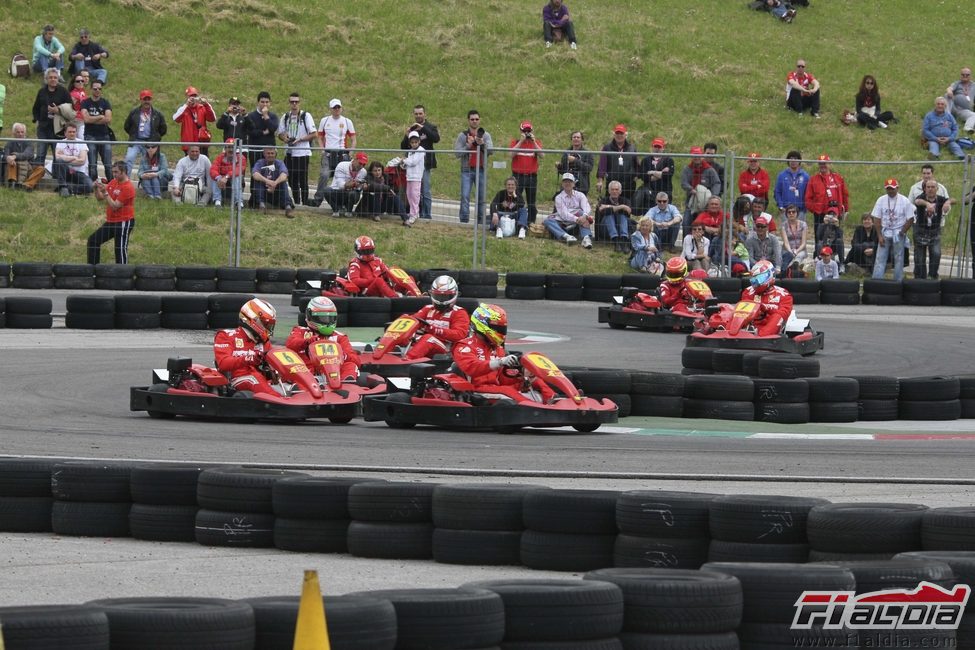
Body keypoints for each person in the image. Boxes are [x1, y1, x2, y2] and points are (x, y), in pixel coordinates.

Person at [452, 303, 554, 404]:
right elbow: (472, 367)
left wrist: (521, 374)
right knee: (508, 391)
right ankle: (533, 410)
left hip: (496, 387)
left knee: (535, 379)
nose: (500, 332)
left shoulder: (497, 348)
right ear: (482, 325)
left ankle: (555, 401)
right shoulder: (464, 346)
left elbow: (503, 379)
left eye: (502, 329)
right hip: (477, 389)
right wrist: (499, 362)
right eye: (497, 329)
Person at [213, 298, 278, 396]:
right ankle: (280, 401)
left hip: (261, 380)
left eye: (270, 325)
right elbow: (223, 363)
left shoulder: (264, 342)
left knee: (289, 380)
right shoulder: (226, 336)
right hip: (236, 379)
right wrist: (250, 358)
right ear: (253, 319)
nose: (268, 328)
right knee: (255, 378)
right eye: (266, 324)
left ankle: (302, 398)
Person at [286, 297, 360, 381]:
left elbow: (356, 359)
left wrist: (343, 356)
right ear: (311, 316)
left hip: (333, 374)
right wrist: (307, 342)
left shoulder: (340, 337)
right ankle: (307, 383)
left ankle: (346, 384)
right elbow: (290, 344)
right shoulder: (300, 331)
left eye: (330, 318)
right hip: (306, 373)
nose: (327, 322)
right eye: (323, 318)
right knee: (292, 367)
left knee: (351, 365)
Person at [402, 276, 471, 360]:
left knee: (428, 338)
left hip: (447, 349)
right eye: (438, 296)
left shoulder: (459, 313)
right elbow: (413, 320)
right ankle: (388, 355)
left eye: (445, 297)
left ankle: (408, 359)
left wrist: (435, 330)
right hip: (424, 342)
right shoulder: (428, 309)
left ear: (454, 295)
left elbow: (459, 335)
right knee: (404, 336)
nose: (441, 300)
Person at [310, 98, 356, 207]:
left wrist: (351, 152)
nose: (336, 109)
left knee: (344, 177)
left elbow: (353, 138)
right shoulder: (324, 121)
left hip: (342, 154)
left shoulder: (347, 121)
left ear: (341, 108)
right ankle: (318, 200)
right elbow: (320, 137)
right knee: (324, 175)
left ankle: (344, 201)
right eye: (334, 107)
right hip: (328, 154)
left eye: (338, 107)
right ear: (330, 109)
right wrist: (322, 150)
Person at [88, 161, 135, 265]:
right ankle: (93, 271)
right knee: (93, 240)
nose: (114, 174)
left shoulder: (128, 187)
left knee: (120, 250)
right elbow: (100, 198)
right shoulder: (114, 182)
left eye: (116, 172)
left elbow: (114, 206)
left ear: (123, 172)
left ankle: (123, 275)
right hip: (111, 221)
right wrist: (96, 189)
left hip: (123, 222)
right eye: (113, 172)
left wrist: (105, 192)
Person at [400, 105, 440, 219]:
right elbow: (403, 147)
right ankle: (415, 213)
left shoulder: (430, 127)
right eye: (416, 114)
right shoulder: (412, 129)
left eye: (420, 113)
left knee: (425, 190)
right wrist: (406, 136)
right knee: (413, 192)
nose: (418, 116)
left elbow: (436, 138)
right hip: (413, 166)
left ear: (424, 114)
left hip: (425, 164)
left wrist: (422, 128)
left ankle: (427, 215)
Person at [871, 178, 914, 282]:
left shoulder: (905, 201)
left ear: (897, 188)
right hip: (885, 231)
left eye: (892, 189)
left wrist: (902, 232)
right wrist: (880, 236)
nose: (890, 191)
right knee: (880, 258)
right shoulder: (881, 200)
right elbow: (876, 218)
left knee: (899, 258)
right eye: (888, 189)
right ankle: (877, 281)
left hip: (898, 232)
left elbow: (911, 218)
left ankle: (898, 281)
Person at [277, 92, 317, 206]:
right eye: (292, 102)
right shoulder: (286, 116)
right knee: (291, 179)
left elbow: (314, 134)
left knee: (302, 179)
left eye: (296, 102)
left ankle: (304, 202)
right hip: (289, 152)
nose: (294, 104)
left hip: (302, 152)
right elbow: (280, 133)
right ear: (289, 103)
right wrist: (285, 138)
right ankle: (297, 201)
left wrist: (300, 139)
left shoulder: (306, 116)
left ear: (299, 102)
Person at [454, 109, 493, 224]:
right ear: (468, 121)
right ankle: (464, 220)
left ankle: (480, 222)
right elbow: (457, 153)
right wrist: (468, 145)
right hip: (466, 170)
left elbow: (491, 151)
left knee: (481, 198)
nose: (474, 121)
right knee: (465, 196)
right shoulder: (462, 136)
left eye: (476, 119)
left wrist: (482, 144)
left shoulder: (485, 135)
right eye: (472, 119)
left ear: (479, 120)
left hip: (481, 169)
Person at [740, 260, 794, 336]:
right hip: (751, 326)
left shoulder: (783, 294)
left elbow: (783, 313)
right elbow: (743, 311)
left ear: (770, 275)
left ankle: (761, 336)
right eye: (754, 279)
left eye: (760, 278)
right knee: (730, 309)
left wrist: (765, 307)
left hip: (772, 328)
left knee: (778, 316)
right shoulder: (748, 292)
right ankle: (728, 331)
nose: (757, 282)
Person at [913, 179, 954, 280]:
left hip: (935, 232)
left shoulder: (941, 199)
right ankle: (920, 279)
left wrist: (948, 202)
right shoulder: (921, 197)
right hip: (921, 231)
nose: (930, 189)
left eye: (933, 187)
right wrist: (927, 204)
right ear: (925, 189)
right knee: (919, 257)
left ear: (937, 189)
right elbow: (917, 201)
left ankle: (932, 276)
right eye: (928, 187)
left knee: (936, 253)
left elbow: (954, 200)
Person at [31, 68, 71, 166]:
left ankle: (57, 178)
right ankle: (37, 178)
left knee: (57, 155)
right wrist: (37, 119)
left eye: (55, 77)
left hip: (58, 129)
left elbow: (71, 107)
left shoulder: (63, 91)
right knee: (40, 154)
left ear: (58, 79)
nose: (53, 79)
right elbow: (36, 107)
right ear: (46, 79)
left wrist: (58, 110)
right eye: (50, 77)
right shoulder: (41, 91)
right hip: (43, 128)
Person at [680, 146, 722, 237]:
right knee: (686, 223)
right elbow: (684, 183)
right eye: (694, 156)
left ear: (702, 155)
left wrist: (713, 196)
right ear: (691, 156)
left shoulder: (709, 169)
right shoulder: (687, 169)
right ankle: (686, 245)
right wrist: (691, 189)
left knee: (705, 224)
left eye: (698, 155)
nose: (696, 158)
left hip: (706, 203)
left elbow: (717, 183)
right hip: (691, 202)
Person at [123, 89, 167, 173]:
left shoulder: (157, 114)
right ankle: (126, 181)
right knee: (129, 158)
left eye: (148, 99)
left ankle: (145, 183)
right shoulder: (134, 112)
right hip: (136, 141)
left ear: (151, 100)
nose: (147, 101)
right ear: (140, 100)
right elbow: (127, 126)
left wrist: (155, 136)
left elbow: (163, 129)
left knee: (148, 164)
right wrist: (133, 134)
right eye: (144, 99)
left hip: (150, 143)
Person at [545, 172, 593, 248]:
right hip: (563, 222)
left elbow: (587, 207)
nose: (567, 184)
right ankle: (566, 236)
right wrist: (578, 219)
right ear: (562, 184)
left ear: (574, 184)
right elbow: (564, 214)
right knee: (547, 220)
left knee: (583, 213)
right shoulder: (559, 197)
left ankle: (586, 238)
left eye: (570, 181)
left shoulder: (580, 195)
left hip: (577, 222)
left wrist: (584, 217)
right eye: (565, 182)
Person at [510, 120, 543, 225]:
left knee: (531, 201)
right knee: (516, 199)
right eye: (525, 131)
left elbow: (542, 155)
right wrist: (521, 141)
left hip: (531, 176)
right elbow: (510, 154)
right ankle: (516, 221)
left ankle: (531, 222)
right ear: (521, 131)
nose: (527, 133)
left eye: (529, 131)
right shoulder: (515, 142)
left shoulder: (536, 142)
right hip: (517, 176)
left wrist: (533, 142)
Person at [804, 154, 848, 232]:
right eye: (820, 164)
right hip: (820, 214)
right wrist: (815, 209)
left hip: (835, 213)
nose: (823, 166)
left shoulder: (838, 178)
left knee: (836, 237)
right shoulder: (813, 179)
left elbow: (845, 195)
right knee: (819, 237)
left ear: (830, 164)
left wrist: (845, 210)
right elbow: (808, 198)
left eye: (825, 163)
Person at [596, 124, 638, 203]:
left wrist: (636, 175)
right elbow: (602, 165)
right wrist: (600, 181)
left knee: (626, 208)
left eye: (621, 134)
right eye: (617, 133)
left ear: (625, 135)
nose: (619, 136)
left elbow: (636, 164)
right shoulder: (607, 148)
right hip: (612, 184)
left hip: (628, 184)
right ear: (614, 135)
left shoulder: (632, 148)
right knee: (610, 208)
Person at [81, 79, 112, 182]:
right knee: (92, 164)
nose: (97, 90)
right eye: (95, 89)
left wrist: (92, 119)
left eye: (99, 88)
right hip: (90, 135)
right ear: (91, 89)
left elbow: (108, 119)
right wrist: (100, 116)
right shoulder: (85, 103)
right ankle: (93, 185)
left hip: (104, 135)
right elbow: (86, 119)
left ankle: (111, 184)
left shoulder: (105, 102)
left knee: (108, 163)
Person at [634, 137, 675, 214]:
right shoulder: (646, 160)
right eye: (655, 146)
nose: (657, 149)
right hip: (649, 194)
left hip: (665, 192)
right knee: (648, 215)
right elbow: (644, 176)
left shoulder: (669, 160)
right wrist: (661, 173)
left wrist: (652, 172)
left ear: (663, 148)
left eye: (659, 147)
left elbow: (668, 175)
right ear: (652, 147)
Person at [251, 147, 293, 217]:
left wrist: (275, 183)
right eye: (268, 153)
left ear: (275, 154)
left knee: (283, 183)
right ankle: (262, 206)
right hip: (264, 189)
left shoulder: (280, 163)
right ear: (264, 154)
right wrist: (268, 181)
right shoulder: (260, 162)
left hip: (276, 190)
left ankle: (288, 208)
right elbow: (255, 174)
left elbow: (284, 175)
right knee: (257, 182)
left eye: (272, 153)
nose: (270, 155)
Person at [173, 86, 215, 155]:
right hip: (189, 144)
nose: (193, 98)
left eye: (194, 96)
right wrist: (186, 105)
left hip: (201, 143)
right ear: (187, 98)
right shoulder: (184, 109)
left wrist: (206, 104)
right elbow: (175, 118)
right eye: (190, 96)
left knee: (203, 164)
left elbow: (212, 118)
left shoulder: (202, 107)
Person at [324, 152, 368, 217]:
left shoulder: (364, 172)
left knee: (353, 194)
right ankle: (335, 210)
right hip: (337, 191)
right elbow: (341, 185)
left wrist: (362, 186)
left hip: (350, 194)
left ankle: (349, 211)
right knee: (326, 190)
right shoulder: (342, 165)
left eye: (364, 165)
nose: (361, 166)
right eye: (360, 163)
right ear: (355, 160)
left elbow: (358, 189)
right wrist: (354, 184)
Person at [53, 124, 91, 196]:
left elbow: (82, 161)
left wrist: (65, 158)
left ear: (76, 133)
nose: (72, 134)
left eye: (74, 132)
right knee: (60, 162)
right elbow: (58, 158)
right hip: (66, 171)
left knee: (89, 186)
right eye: (70, 132)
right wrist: (74, 158)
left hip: (79, 172)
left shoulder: (82, 143)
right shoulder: (60, 143)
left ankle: (67, 188)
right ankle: (63, 187)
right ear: (65, 133)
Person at [3, 123, 44, 191]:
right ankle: (12, 184)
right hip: (15, 167)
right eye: (18, 132)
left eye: (22, 132)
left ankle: (27, 185)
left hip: (29, 167)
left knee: (41, 169)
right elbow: (5, 155)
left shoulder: (29, 143)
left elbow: (27, 154)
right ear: (14, 133)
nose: (20, 134)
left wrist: (15, 156)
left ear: (25, 133)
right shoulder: (9, 143)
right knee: (11, 162)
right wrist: (8, 158)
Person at [596, 180, 633, 252]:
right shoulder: (603, 200)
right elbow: (604, 211)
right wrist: (621, 206)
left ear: (620, 191)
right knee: (608, 215)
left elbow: (628, 212)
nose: (614, 191)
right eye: (612, 189)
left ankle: (623, 240)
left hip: (621, 228)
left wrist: (608, 207)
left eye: (616, 189)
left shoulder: (626, 200)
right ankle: (616, 241)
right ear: (609, 191)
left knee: (622, 215)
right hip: (605, 230)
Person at [244, 91, 279, 169]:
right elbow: (250, 132)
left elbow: (273, 128)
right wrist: (263, 132)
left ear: (270, 103)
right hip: (255, 150)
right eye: (262, 102)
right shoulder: (251, 116)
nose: (265, 104)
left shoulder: (273, 116)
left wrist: (266, 116)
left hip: (269, 152)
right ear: (258, 103)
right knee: (255, 173)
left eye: (267, 102)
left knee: (270, 174)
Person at [209, 139, 247, 208]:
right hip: (222, 178)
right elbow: (213, 169)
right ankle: (217, 201)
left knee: (237, 177)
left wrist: (227, 176)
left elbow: (239, 170)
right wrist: (218, 178)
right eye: (229, 147)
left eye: (233, 147)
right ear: (225, 149)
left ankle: (239, 202)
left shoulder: (241, 157)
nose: (231, 149)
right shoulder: (220, 157)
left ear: (236, 149)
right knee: (214, 177)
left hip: (233, 178)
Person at [555, 131, 593, 196]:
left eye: (578, 137)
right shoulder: (566, 152)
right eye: (574, 137)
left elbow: (589, 168)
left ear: (582, 140)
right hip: (567, 185)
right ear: (571, 139)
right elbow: (563, 171)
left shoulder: (587, 153)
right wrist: (559, 167)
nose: (576, 139)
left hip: (581, 187)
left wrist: (575, 161)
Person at [773, 151, 809, 219]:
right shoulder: (782, 175)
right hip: (786, 210)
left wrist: (805, 207)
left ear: (799, 161)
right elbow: (777, 192)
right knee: (786, 229)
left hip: (800, 210)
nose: (793, 161)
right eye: (791, 159)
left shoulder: (805, 176)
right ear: (787, 161)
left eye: (795, 159)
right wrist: (781, 206)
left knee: (800, 229)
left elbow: (808, 193)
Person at [403, 130, 426, 226]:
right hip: (409, 176)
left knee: (415, 195)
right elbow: (409, 163)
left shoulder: (421, 150)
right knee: (409, 194)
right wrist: (403, 164)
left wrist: (404, 160)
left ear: (419, 142)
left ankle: (415, 213)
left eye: (415, 142)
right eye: (412, 142)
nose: (414, 144)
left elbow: (413, 162)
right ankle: (413, 212)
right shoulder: (410, 152)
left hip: (416, 176)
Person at [945, 67, 975, 135]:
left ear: (970, 76)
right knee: (946, 95)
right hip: (955, 108)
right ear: (960, 75)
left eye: (967, 75)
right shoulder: (957, 83)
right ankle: (947, 117)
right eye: (963, 74)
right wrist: (949, 91)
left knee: (974, 115)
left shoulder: (974, 85)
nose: (965, 76)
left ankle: (967, 128)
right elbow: (949, 88)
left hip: (964, 110)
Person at [815, 209, 845, 273]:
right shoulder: (821, 226)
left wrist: (837, 226)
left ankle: (842, 264)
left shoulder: (838, 227)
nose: (831, 218)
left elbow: (840, 238)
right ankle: (819, 261)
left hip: (834, 248)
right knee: (820, 242)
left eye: (833, 216)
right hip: (824, 247)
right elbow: (819, 237)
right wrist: (825, 225)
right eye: (830, 215)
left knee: (839, 241)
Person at [780, 205, 808, 271]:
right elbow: (786, 242)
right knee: (788, 256)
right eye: (789, 212)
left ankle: (795, 266)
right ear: (786, 214)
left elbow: (804, 243)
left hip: (800, 249)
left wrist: (796, 251)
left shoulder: (803, 224)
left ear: (797, 213)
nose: (791, 214)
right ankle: (787, 270)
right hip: (787, 249)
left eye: (793, 212)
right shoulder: (783, 225)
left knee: (799, 256)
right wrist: (791, 252)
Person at [68, 74, 88, 139]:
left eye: (82, 81)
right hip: (76, 120)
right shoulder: (73, 94)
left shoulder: (83, 92)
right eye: (78, 81)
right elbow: (69, 108)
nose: (80, 82)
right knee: (81, 140)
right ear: (74, 83)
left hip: (83, 119)